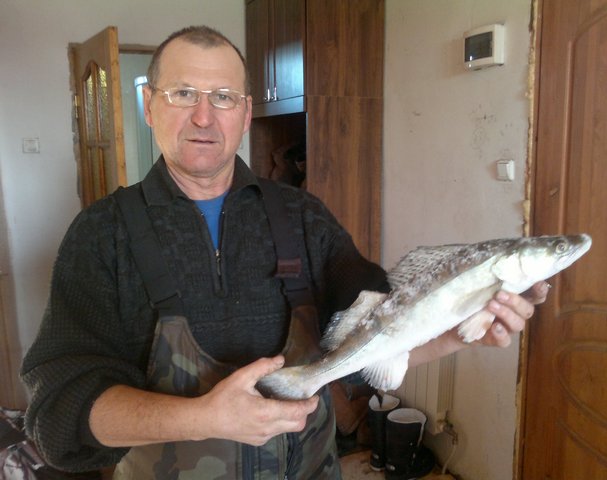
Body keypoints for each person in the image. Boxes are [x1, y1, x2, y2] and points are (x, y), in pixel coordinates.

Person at [20, 26, 549, 479]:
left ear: (246, 112)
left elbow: (369, 345)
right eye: (183, 93)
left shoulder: (304, 217)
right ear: (149, 105)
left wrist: (456, 330)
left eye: (223, 97)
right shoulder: (101, 235)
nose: (204, 116)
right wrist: (203, 418)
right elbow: (57, 412)